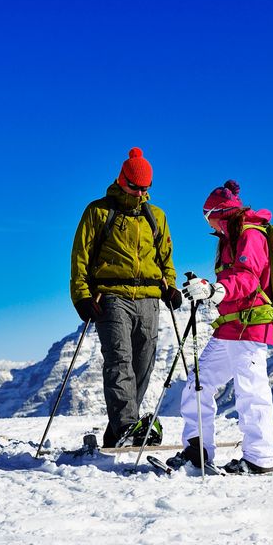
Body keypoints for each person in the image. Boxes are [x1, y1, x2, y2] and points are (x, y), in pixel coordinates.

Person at [69, 147, 180, 448]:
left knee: (143, 364)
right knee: (119, 360)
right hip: (111, 296)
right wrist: (81, 296)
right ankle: (127, 426)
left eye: (146, 188)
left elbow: (166, 258)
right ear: (122, 181)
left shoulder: (155, 217)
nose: (141, 193)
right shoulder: (98, 212)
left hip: (149, 298)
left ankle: (117, 428)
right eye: (135, 187)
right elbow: (80, 258)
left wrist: (169, 285)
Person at [168, 180, 273, 475]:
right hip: (230, 326)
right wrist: (207, 288)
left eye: (208, 217)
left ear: (219, 213)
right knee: (198, 383)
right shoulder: (229, 237)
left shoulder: (251, 235)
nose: (210, 225)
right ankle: (197, 450)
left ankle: (259, 458)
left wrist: (215, 290)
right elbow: (232, 280)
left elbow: (248, 278)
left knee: (250, 390)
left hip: (252, 324)